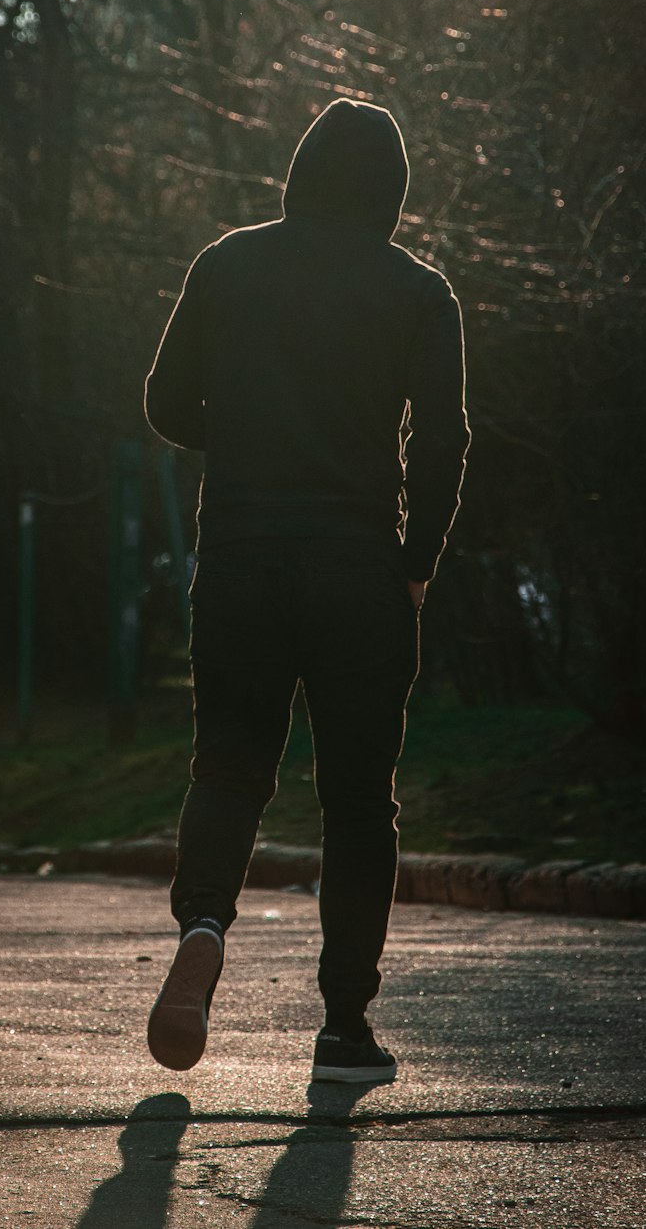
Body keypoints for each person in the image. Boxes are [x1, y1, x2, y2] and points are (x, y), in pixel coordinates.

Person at [143, 97, 469, 1083]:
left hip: (241, 559)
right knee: (358, 801)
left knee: (228, 765)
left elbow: (162, 402)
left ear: (297, 172)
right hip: (359, 568)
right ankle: (342, 1027)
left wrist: (240, 439)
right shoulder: (418, 293)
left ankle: (203, 922)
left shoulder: (226, 263)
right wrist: (415, 559)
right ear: (392, 193)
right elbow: (448, 439)